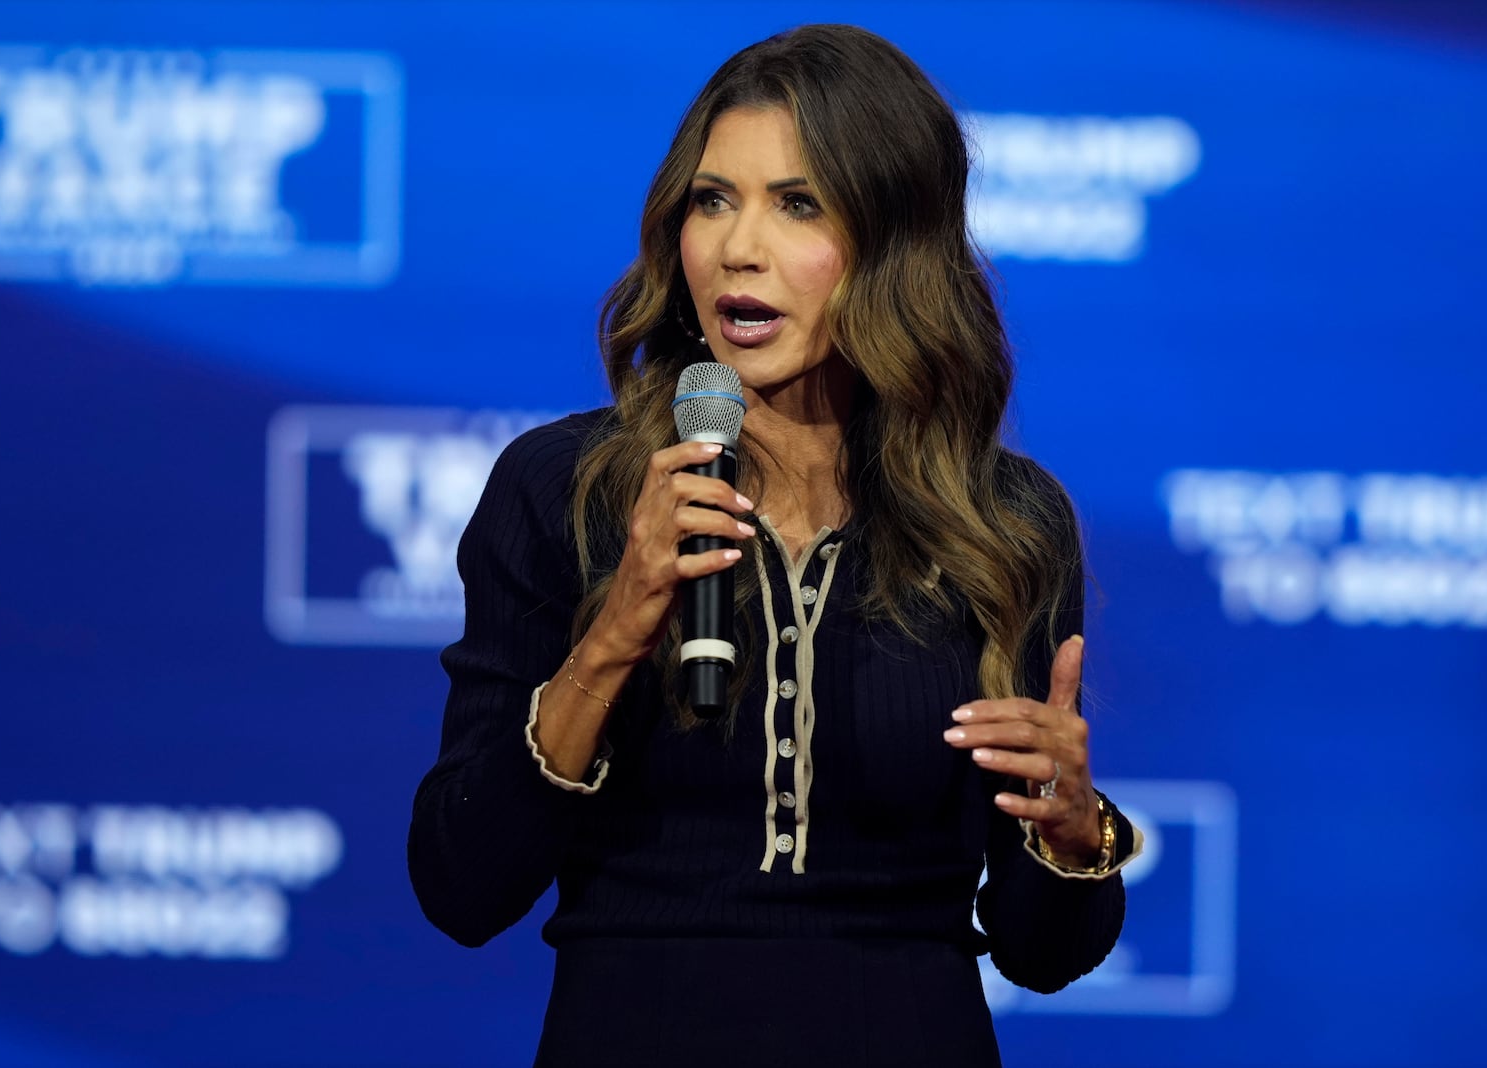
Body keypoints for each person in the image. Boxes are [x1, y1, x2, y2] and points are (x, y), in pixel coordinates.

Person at [408, 23, 1143, 1067]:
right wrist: (614, 634)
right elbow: (459, 884)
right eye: (712, 200)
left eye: (796, 204)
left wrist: (1070, 839)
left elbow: (1040, 952)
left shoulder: (1000, 520)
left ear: (894, 243)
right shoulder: (565, 489)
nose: (735, 248)